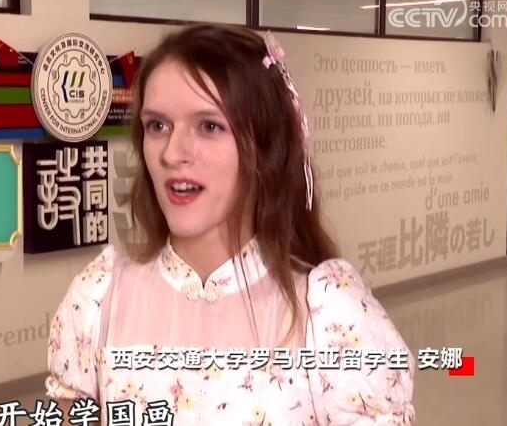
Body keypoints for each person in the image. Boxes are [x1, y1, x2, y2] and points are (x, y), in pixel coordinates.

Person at [44, 24, 415, 425]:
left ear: (265, 146)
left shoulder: (330, 313)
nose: (173, 153)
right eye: (158, 126)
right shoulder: (99, 297)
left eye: (209, 126)